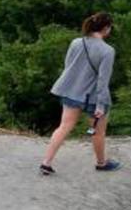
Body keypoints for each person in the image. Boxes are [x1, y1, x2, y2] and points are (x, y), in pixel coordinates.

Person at [41, 12, 119, 174]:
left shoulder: (76, 42)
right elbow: (103, 81)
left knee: (63, 127)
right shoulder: (107, 51)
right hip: (93, 97)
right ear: (105, 28)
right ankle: (101, 163)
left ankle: (46, 163)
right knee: (98, 132)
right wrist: (101, 105)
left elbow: (69, 65)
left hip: (71, 92)